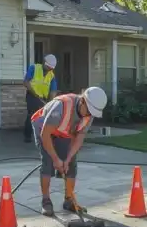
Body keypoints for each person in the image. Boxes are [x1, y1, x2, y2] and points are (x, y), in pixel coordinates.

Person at [30, 87, 108, 216]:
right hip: (43, 128)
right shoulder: (61, 107)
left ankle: (69, 200)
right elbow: (45, 134)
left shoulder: (89, 114)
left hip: (63, 131)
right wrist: (56, 159)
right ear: (82, 101)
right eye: (88, 111)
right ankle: (46, 201)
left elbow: (79, 137)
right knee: (48, 162)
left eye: (92, 113)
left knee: (71, 163)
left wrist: (67, 159)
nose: (89, 115)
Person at [22, 54, 59, 143]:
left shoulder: (51, 75)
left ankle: (44, 135)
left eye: (51, 68)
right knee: (32, 114)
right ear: (44, 63)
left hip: (43, 98)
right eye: (48, 67)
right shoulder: (34, 68)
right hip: (32, 95)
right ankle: (28, 135)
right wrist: (34, 93)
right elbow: (26, 82)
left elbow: (53, 90)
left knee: (45, 115)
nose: (50, 69)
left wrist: (50, 102)